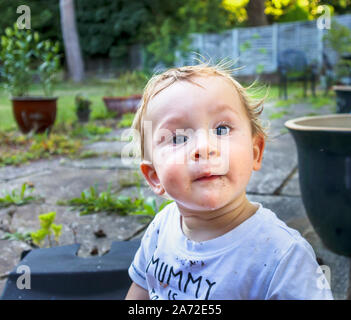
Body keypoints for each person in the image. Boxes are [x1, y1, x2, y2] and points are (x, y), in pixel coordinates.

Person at [125, 61, 334, 300]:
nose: (204, 148)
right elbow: (141, 289)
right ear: (154, 177)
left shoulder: (284, 258)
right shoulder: (161, 228)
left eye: (222, 129)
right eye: (179, 137)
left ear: (255, 152)